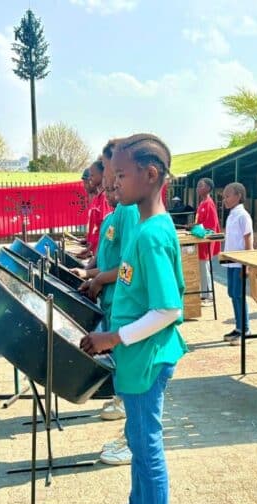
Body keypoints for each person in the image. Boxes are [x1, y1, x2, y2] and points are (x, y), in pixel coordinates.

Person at [80, 133, 186, 504]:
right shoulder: (141, 227)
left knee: (146, 447)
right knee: (138, 439)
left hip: (146, 357)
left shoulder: (152, 234)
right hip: (137, 356)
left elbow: (168, 309)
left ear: (151, 175)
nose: (113, 182)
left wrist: (114, 338)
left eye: (121, 175)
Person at [74, 139, 141, 462]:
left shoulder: (133, 214)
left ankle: (133, 440)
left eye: (114, 171)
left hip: (126, 307)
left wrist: (98, 278)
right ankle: (130, 437)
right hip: (115, 302)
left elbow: (129, 266)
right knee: (125, 375)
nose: (108, 179)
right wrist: (93, 275)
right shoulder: (118, 210)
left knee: (134, 383)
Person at [221, 182, 253, 346]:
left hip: (240, 263)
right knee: (233, 294)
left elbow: (248, 241)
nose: (224, 199)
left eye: (227, 196)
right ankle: (238, 327)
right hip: (231, 262)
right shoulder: (231, 215)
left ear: (238, 196)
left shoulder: (243, 216)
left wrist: (246, 265)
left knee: (239, 295)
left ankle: (245, 328)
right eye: (224, 197)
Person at [194, 178, 221, 304]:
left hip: (205, 240)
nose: (198, 188)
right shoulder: (202, 203)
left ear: (208, 188)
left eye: (201, 186)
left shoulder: (209, 203)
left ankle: (208, 295)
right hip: (199, 239)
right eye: (198, 186)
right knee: (201, 268)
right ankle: (203, 293)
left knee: (204, 267)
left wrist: (196, 228)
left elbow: (211, 225)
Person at [84, 159, 110, 258]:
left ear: (102, 174)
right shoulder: (97, 198)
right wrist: (90, 247)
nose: (90, 178)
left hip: (100, 253)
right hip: (95, 251)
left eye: (92, 175)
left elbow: (104, 229)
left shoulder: (104, 198)